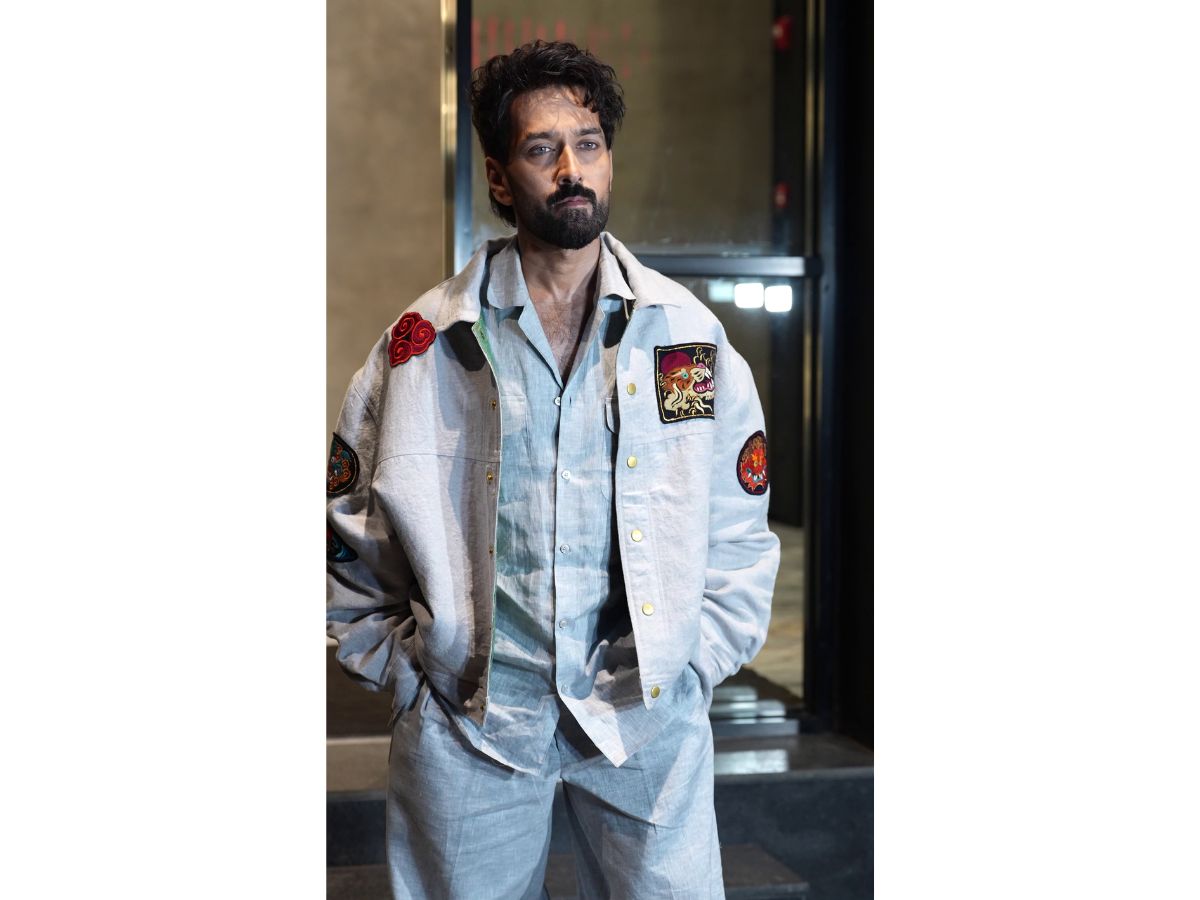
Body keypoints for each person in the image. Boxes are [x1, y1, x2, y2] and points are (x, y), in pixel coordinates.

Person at [327, 40, 779, 900]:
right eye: (543, 149)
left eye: (590, 144)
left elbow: (736, 526)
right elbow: (352, 529)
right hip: (473, 724)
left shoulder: (684, 339)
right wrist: (409, 672)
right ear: (501, 180)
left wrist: (693, 663)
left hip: (645, 716)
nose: (573, 169)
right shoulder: (423, 347)